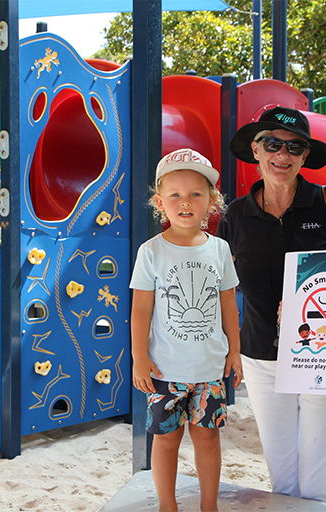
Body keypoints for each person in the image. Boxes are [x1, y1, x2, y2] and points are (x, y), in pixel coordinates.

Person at [216, 106, 326, 505]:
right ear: (256, 149)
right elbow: (221, 290)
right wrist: (229, 352)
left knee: (316, 484)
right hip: (262, 357)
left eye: (294, 146)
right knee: (282, 481)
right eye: (273, 143)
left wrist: (306, 305)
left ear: (304, 155)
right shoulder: (235, 217)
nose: (283, 154)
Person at [130, 148, 242, 512]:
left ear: (212, 200)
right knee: (165, 441)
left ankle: (209, 506)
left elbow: (228, 305)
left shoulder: (220, 250)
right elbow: (141, 309)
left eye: (196, 193)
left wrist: (235, 352)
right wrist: (138, 357)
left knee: (208, 440)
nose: (185, 202)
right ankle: (168, 505)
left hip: (209, 370)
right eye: (175, 195)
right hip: (164, 371)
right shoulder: (151, 252)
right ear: (159, 202)